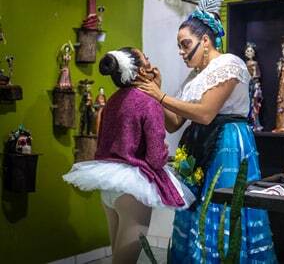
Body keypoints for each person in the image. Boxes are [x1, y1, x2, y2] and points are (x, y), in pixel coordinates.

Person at [134, 0, 278, 263]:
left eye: (185, 44)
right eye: (179, 46)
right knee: (198, 208)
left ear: (206, 41)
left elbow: (205, 113)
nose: (181, 51)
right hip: (200, 144)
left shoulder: (229, 64)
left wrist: (160, 95)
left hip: (227, 144)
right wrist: (156, 89)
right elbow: (175, 123)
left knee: (221, 207)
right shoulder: (193, 78)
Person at [63, 47, 195, 264]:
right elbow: (154, 158)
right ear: (140, 70)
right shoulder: (148, 102)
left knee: (117, 255)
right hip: (133, 191)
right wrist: (163, 152)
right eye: (147, 58)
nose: (152, 64)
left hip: (109, 186)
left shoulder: (112, 102)